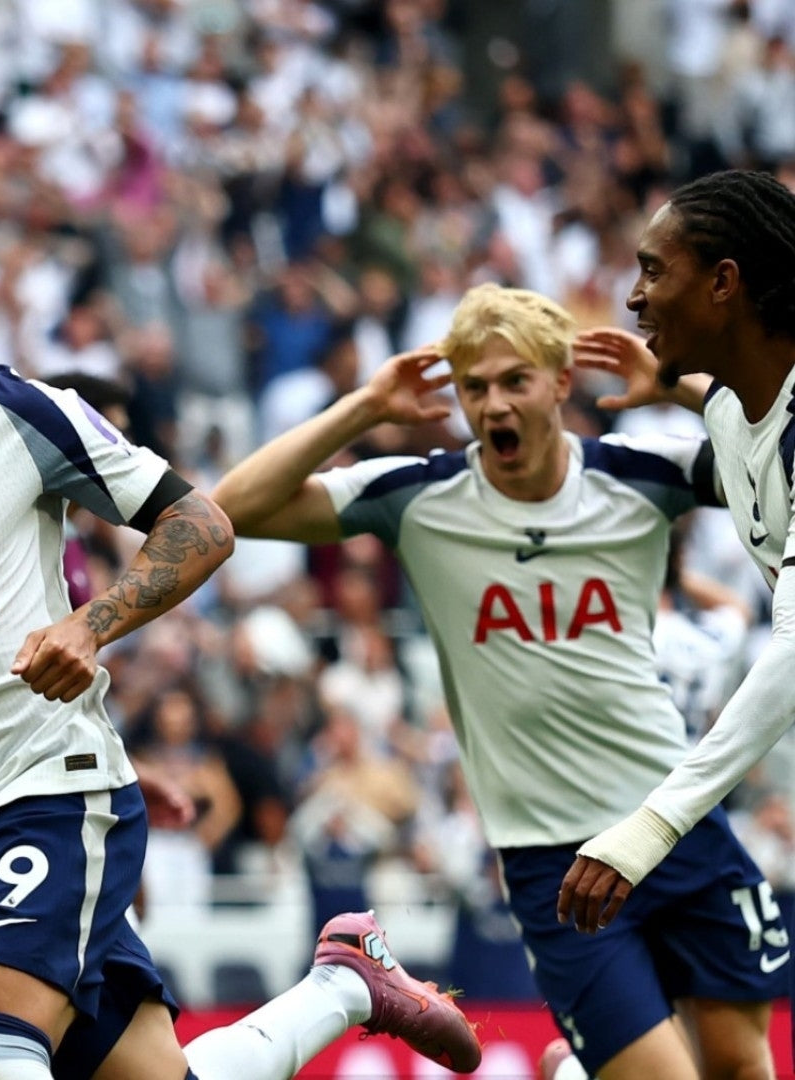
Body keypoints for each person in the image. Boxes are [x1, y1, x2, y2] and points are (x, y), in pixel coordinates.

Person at [0, 203, 481, 1080]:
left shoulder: (3, 410)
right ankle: (345, 985)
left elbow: (198, 521)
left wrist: (94, 623)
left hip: (50, 788)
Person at [211, 281, 787, 1079]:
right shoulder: (418, 495)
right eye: (474, 387)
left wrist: (681, 387)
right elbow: (227, 510)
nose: (493, 405)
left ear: (560, 382)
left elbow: (772, 457)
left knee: (742, 1067)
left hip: (673, 824)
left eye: (515, 381)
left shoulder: (642, 473)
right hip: (553, 860)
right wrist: (364, 407)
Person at [557, 171, 795, 954]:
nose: (632, 297)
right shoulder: (731, 412)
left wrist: (652, 824)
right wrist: (676, 388)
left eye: (654, 269)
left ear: (724, 281)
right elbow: (749, 417)